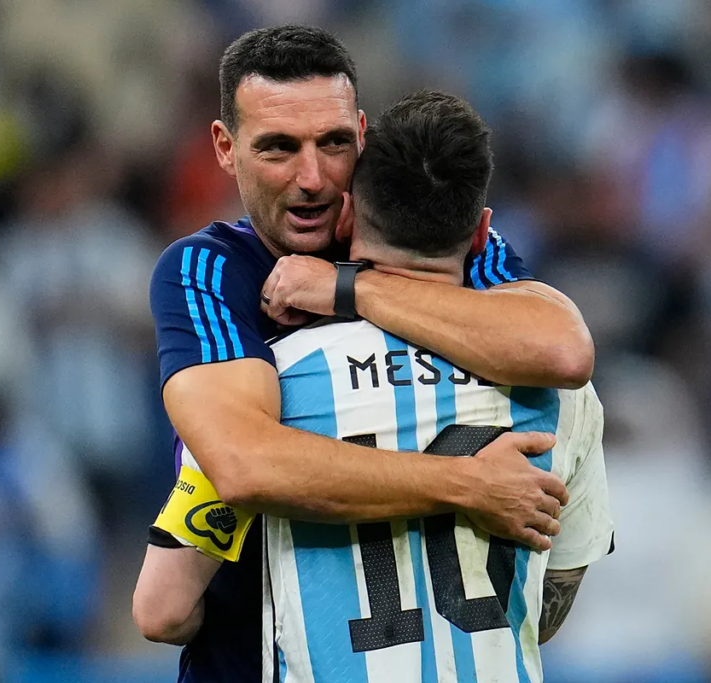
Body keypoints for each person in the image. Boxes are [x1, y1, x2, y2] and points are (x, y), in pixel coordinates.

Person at [143, 25, 594, 682]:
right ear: (225, 148)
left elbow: (563, 347)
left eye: (332, 143)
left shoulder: (432, 234)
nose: (312, 179)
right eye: (278, 148)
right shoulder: (209, 270)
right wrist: (465, 484)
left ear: (362, 134)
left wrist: (348, 288)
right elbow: (243, 463)